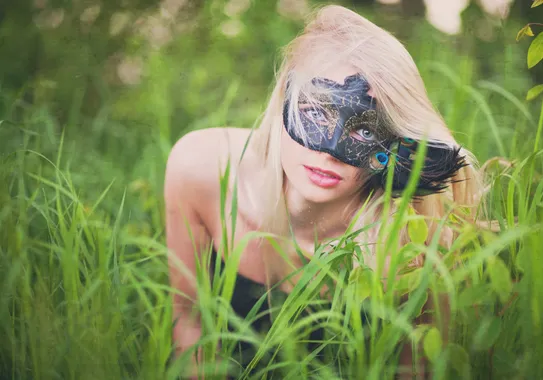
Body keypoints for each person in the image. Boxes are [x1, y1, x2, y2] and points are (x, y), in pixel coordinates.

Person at [164, 4, 485, 379]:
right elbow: (188, 321)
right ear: (284, 97)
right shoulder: (203, 172)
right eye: (316, 113)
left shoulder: (414, 234)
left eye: (364, 131)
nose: (327, 153)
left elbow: (413, 367)